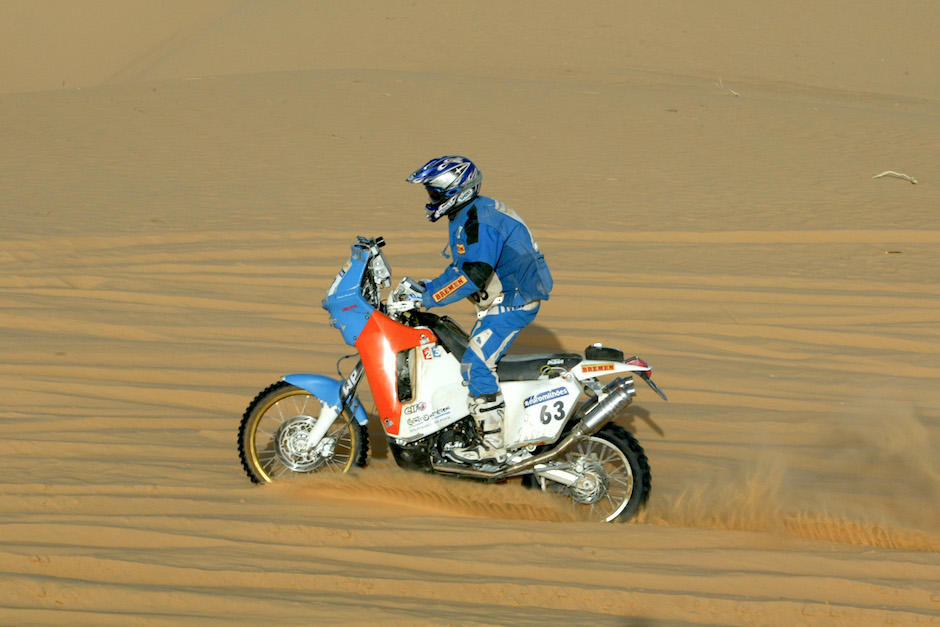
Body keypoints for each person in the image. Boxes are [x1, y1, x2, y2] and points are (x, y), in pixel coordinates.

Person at [405, 155, 553, 462]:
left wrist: (426, 299)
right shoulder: (469, 214)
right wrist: (425, 288)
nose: (431, 199)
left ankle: (493, 447)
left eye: (435, 192)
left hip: (513, 301)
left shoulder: (479, 222)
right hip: (502, 298)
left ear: (455, 190)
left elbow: (473, 276)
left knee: (476, 363)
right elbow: (461, 267)